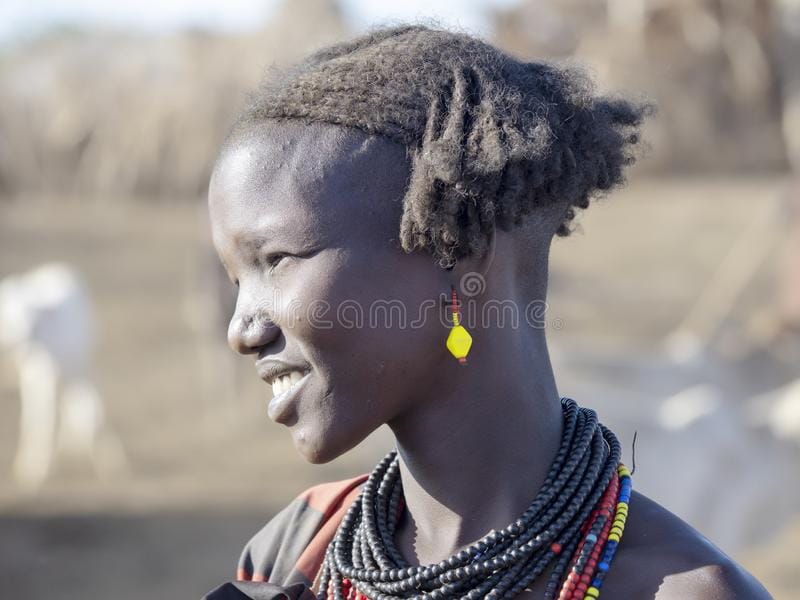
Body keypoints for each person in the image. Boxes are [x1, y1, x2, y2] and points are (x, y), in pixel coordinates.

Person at [203, 25, 770, 600]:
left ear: (458, 248)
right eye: (236, 279)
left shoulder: (681, 591)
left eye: (275, 260)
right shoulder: (293, 552)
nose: (240, 332)